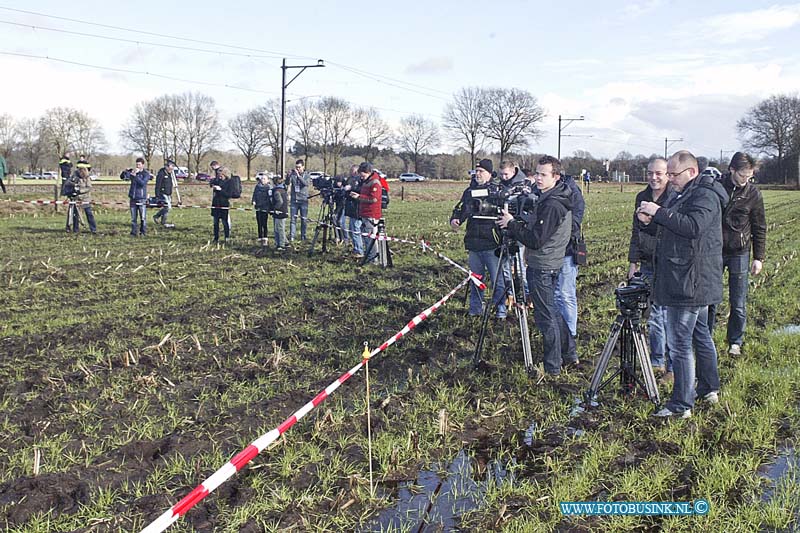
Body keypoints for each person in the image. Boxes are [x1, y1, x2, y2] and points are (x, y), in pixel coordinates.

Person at [637, 150, 728, 418]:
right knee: (701, 336)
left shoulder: (705, 195)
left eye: (674, 175)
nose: (670, 180)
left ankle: (681, 405)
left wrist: (660, 212)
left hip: (689, 282)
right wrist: (648, 222)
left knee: (679, 344)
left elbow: (693, 227)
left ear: (692, 171)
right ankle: (708, 388)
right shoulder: (686, 194)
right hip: (690, 279)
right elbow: (673, 229)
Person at [498, 155, 577, 375]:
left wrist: (511, 224)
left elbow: (535, 239)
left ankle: (552, 367)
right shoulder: (551, 197)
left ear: (556, 176)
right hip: (547, 261)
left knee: (546, 317)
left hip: (543, 265)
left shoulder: (552, 204)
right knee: (552, 310)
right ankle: (570, 354)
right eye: (537, 173)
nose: (538, 178)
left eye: (544, 174)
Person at [708, 152, 766, 356]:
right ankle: (706, 339)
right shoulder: (716, 188)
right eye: (742, 175)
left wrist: (759, 258)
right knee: (711, 299)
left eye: (749, 176)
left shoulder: (753, 194)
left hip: (740, 253)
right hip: (714, 251)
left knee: (738, 301)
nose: (746, 180)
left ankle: (735, 342)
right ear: (732, 170)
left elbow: (759, 226)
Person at [628, 157, 673, 376]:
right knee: (653, 316)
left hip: (668, 263)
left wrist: (651, 220)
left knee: (667, 316)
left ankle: (672, 364)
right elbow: (636, 231)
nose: (654, 177)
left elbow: (672, 230)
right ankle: (657, 361)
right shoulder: (642, 197)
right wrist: (633, 263)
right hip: (647, 263)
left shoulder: (674, 197)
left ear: (667, 175)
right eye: (650, 173)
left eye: (659, 173)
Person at [450, 159, 506, 319]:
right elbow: (461, 208)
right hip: (474, 243)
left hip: (492, 243)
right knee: (475, 280)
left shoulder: (498, 191)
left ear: (489, 173)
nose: (478, 174)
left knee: (497, 281)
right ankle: (475, 310)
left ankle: (500, 311)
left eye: (481, 171)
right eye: (477, 171)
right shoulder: (469, 191)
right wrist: (456, 219)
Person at [554, 172, 585, 340]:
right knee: (554, 295)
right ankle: (559, 332)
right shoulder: (546, 191)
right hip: (551, 252)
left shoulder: (573, 193)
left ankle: (570, 334)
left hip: (567, 250)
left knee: (565, 294)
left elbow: (574, 223)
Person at [350, 162, 382, 264]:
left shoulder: (375, 183)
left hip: (371, 215)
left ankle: (373, 260)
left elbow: (374, 199)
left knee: (371, 238)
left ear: (368, 172)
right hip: (364, 214)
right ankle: (369, 257)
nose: (361, 176)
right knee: (367, 238)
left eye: (362, 174)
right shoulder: (366, 182)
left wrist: (359, 197)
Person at [343, 164, 363, 257]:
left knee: (356, 229)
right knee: (352, 230)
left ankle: (359, 250)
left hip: (357, 208)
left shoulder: (360, 181)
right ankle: (356, 248)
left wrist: (352, 189)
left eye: (353, 171)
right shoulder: (349, 179)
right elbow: (346, 193)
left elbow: (361, 191)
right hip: (350, 208)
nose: (352, 173)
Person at [128, 157, 151, 237]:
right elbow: (124, 177)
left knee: (143, 217)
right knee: (133, 218)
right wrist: (126, 172)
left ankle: (143, 232)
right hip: (133, 198)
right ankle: (133, 233)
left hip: (141, 198)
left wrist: (135, 176)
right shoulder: (134, 172)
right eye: (137, 164)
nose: (137, 166)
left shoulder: (146, 174)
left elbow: (142, 183)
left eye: (139, 165)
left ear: (143, 165)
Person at [288, 159, 310, 242]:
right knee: (293, 219)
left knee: (303, 219)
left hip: (303, 200)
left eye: (299, 167)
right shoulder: (293, 175)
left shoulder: (307, 175)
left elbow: (306, 183)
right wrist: (288, 176)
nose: (297, 169)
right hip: (294, 200)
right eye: (296, 167)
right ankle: (292, 236)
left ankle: (303, 236)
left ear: (303, 167)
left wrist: (298, 176)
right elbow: (287, 183)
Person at [211, 166, 234, 242]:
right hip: (216, 203)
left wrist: (220, 190)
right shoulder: (217, 181)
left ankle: (227, 237)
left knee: (224, 221)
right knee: (215, 222)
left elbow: (229, 194)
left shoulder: (230, 182)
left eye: (221, 174)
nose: (219, 176)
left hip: (224, 204)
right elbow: (211, 183)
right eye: (218, 175)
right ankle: (216, 237)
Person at [153, 159, 176, 227]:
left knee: (167, 208)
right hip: (162, 194)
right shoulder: (161, 174)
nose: (171, 169)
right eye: (170, 168)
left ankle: (163, 222)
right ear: (167, 167)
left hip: (168, 194)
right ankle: (157, 216)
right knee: (167, 207)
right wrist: (157, 195)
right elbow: (158, 185)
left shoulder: (169, 174)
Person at [252, 174, 272, 246]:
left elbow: (269, 198)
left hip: (265, 207)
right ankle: (260, 237)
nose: (262, 180)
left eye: (264, 179)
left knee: (264, 223)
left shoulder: (268, 187)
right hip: (258, 207)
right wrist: (254, 201)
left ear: (267, 180)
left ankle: (265, 237)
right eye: (262, 178)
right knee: (259, 223)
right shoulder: (257, 187)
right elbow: (254, 194)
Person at [272, 173, 288, 251]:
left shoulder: (277, 192)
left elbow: (280, 202)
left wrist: (275, 209)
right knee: (279, 228)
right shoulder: (283, 190)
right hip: (284, 211)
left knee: (279, 228)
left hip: (280, 212)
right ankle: (285, 242)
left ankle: (281, 245)